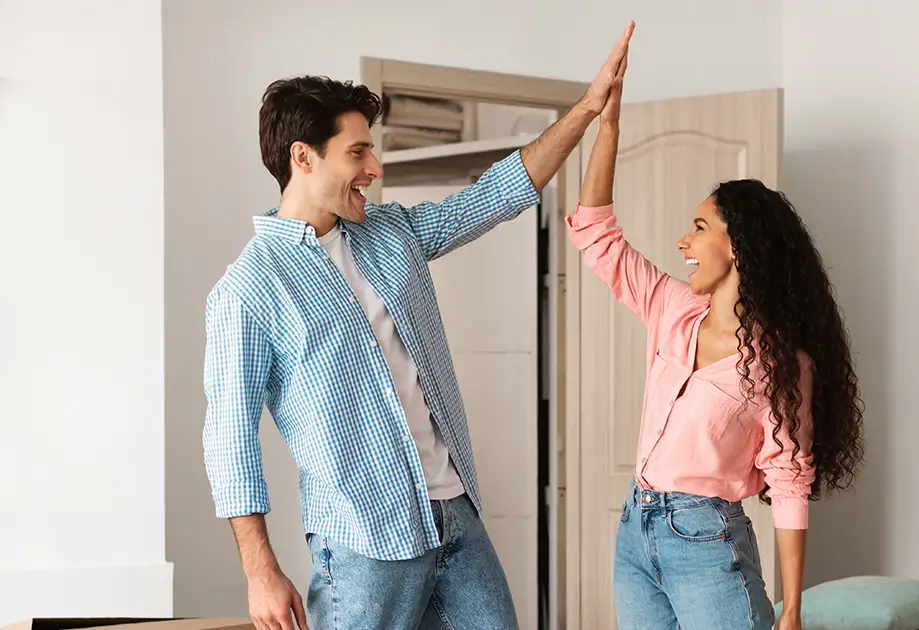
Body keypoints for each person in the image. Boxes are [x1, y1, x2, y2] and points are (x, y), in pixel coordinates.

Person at [201, 21, 636, 630]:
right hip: (362, 540)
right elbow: (230, 441)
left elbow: (499, 193)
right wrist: (260, 570)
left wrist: (587, 110)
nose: (375, 167)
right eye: (357, 152)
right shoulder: (248, 291)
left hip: (454, 512)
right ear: (303, 157)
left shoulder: (391, 233)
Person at [566, 47, 865, 630]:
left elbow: (789, 474)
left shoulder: (780, 364)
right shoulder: (674, 309)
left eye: (699, 227)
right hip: (636, 528)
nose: (683, 241)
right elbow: (594, 232)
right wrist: (608, 125)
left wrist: (794, 605)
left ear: (738, 245)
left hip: (708, 539)